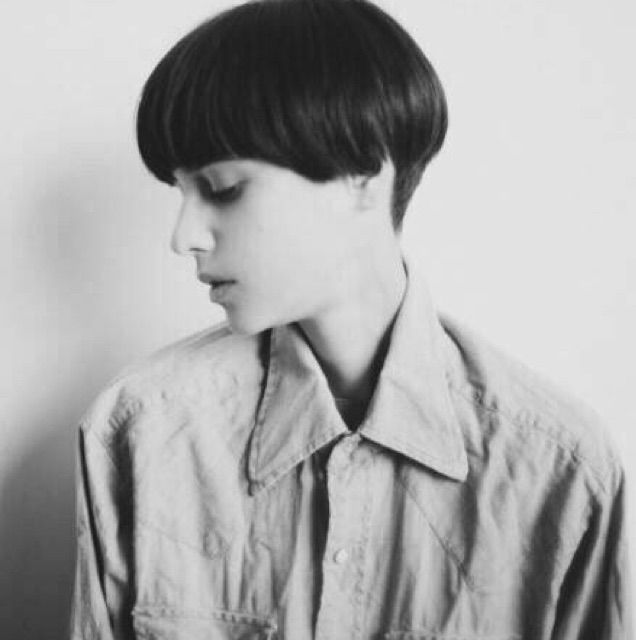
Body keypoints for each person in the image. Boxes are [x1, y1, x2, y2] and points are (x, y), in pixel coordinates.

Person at [69, 0, 631, 638]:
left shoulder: (560, 469)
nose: (184, 236)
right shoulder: (140, 431)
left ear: (363, 172)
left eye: (222, 189)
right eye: (180, 192)